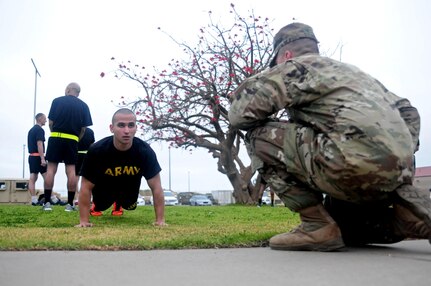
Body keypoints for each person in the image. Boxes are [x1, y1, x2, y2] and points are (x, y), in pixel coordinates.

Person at [228, 22, 430, 251]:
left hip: (348, 165)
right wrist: (400, 152)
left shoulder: (297, 66)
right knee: (347, 231)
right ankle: (406, 216)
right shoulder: (357, 75)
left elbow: (239, 116)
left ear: (286, 55)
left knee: (257, 136)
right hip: (398, 173)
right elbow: (408, 111)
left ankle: (316, 226)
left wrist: (254, 85)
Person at [75, 108, 166, 227]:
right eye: (121, 125)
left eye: (131, 125)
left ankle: (118, 204)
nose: (127, 131)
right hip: (104, 191)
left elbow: (157, 187)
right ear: (112, 128)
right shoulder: (96, 151)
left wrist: (160, 221)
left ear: (136, 128)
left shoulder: (145, 151)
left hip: (129, 192)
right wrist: (84, 221)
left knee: (130, 205)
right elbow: (85, 187)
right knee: (100, 205)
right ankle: (99, 205)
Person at [43, 82, 93, 211]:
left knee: (51, 169)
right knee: (71, 171)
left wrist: (54, 133)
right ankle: (70, 204)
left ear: (67, 89)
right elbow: (83, 128)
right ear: (78, 92)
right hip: (72, 140)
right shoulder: (84, 106)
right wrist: (76, 139)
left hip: (55, 136)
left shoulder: (57, 101)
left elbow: (51, 122)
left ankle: (47, 203)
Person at [27, 113, 47, 206]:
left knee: (33, 178)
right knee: (47, 177)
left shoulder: (31, 130)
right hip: (38, 157)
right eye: (44, 119)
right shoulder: (39, 130)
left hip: (31, 157)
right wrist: (42, 158)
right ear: (40, 119)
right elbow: (39, 144)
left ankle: (34, 200)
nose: (46, 121)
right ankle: (50, 198)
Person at [75, 127, 95, 206]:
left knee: (76, 177)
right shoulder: (90, 131)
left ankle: (77, 198)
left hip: (77, 155)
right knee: (89, 178)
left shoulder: (76, 129)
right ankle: (91, 198)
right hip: (87, 155)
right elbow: (92, 144)